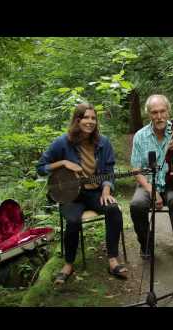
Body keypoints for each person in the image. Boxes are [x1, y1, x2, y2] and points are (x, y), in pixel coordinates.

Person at [37, 103, 128, 285]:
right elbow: (41, 168)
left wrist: (106, 188)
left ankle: (112, 260)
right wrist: (63, 163)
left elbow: (109, 171)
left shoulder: (104, 143)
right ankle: (69, 264)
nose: (90, 121)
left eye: (93, 118)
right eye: (86, 117)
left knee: (113, 210)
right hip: (71, 196)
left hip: (95, 193)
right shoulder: (62, 142)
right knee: (72, 220)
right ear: (77, 120)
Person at [130, 94, 173, 272]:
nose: (159, 116)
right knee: (136, 205)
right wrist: (151, 191)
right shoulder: (140, 136)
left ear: (168, 111)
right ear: (148, 114)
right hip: (149, 183)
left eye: (162, 111)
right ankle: (147, 244)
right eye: (154, 112)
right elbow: (136, 169)